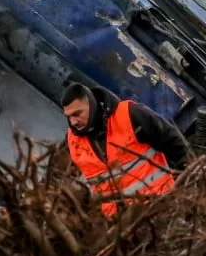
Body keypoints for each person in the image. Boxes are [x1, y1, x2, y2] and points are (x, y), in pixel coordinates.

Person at [60, 83, 191, 217]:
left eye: (77, 114)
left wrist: (181, 189)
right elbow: (57, 177)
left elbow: (176, 145)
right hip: (118, 224)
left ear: (91, 105)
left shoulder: (130, 115)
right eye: (69, 116)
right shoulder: (72, 141)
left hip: (159, 207)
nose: (73, 122)